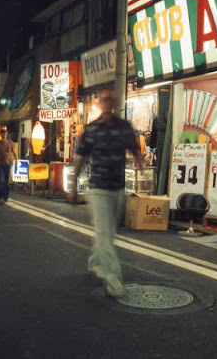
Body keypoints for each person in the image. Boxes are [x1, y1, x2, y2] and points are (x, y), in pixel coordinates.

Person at [67, 88, 144, 298]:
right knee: (103, 234)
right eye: (104, 100)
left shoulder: (125, 127)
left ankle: (94, 261)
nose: (107, 104)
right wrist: (72, 187)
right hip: (98, 188)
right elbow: (80, 160)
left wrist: (141, 166)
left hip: (118, 188)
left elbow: (135, 150)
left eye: (111, 100)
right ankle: (113, 279)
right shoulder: (91, 129)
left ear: (115, 103)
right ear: (99, 104)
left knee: (109, 233)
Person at [0, 127, 17, 202]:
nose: (4, 135)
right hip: (0, 164)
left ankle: (5, 196)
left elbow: (14, 152)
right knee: (1, 180)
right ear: (0, 134)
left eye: (5, 134)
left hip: (8, 164)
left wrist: (17, 161)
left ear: (7, 134)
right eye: (2, 134)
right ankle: (0, 196)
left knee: (6, 182)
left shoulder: (10, 143)